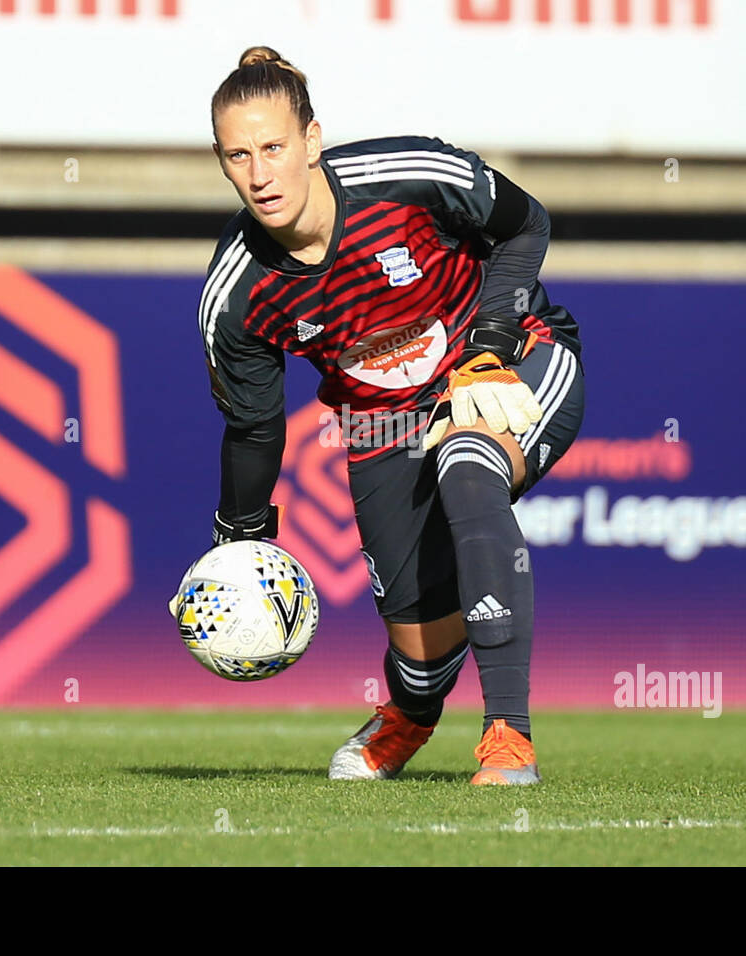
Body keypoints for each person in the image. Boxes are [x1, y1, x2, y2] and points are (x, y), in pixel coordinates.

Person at [195, 46, 584, 785]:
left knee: (467, 464)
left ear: (312, 141)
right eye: (238, 154)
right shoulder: (237, 294)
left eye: (274, 147)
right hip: (382, 421)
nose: (260, 172)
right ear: (220, 162)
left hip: (511, 359)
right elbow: (253, 426)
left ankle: (509, 737)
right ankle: (410, 710)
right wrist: (237, 540)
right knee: (419, 647)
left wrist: (491, 348)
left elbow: (527, 224)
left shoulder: (409, 176)